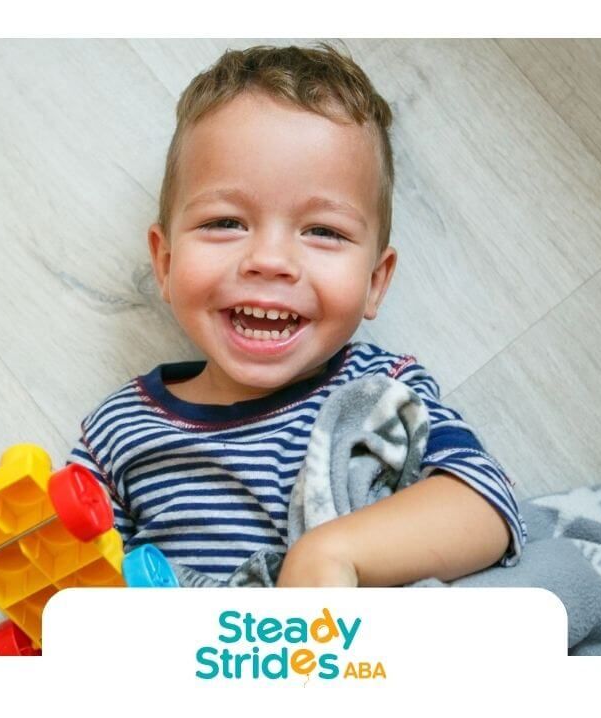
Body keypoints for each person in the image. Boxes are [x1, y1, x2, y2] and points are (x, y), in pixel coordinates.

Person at [69, 43, 526, 587]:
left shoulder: (379, 391)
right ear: (165, 263)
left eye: (323, 232)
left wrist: (333, 553)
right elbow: (76, 587)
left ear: (374, 282)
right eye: (225, 222)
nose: (269, 261)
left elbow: (487, 505)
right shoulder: (119, 430)